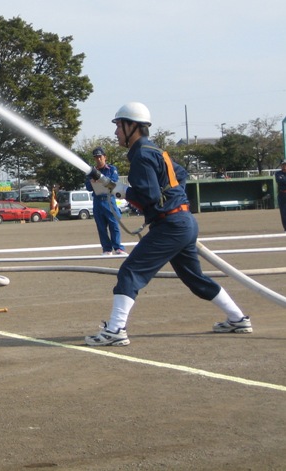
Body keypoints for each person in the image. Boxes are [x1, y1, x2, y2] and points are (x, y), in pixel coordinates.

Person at [85, 102, 251, 346]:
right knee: (195, 278)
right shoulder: (155, 150)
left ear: (133, 126)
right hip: (181, 221)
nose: (116, 132)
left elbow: (148, 197)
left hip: (171, 225)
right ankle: (238, 319)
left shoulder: (141, 155)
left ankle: (116, 330)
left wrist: (117, 190)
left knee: (130, 272)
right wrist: (173, 200)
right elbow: (180, 175)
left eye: (119, 126)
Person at [85, 146, 125, 255]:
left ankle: (118, 247)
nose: (98, 159)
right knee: (101, 226)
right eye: (96, 157)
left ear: (104, 157)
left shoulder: (111, 169)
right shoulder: (91, 171)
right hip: (98, 200)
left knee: (114, 223)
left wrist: (99, 180)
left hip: (109, 199)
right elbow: (88, 186)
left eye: (100, 157)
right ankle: (107, 249)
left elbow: (114, 181)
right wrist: (93, 181)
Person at [276, 159, 286, 231]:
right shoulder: (278, 174)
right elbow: (281, 181)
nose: (284, 166)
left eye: (285, 165)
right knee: (283, 213)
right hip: (282, 195)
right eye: (283, 165)